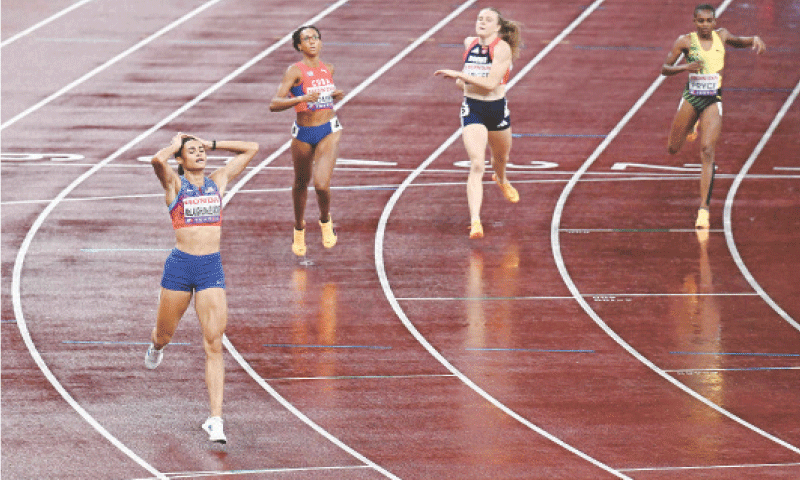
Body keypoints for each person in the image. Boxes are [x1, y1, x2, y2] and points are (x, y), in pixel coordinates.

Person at [145, 133, 259, 444]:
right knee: (164, 333)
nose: (199, 155)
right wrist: (175, 144)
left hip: (210, 268)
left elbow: (252, 147)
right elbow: (157, 160)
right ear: (180, 160)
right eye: (191, 152)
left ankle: (215, 419)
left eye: (201, 152)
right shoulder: (174, 185)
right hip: (180, 267)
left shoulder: (218, 180)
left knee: (214, 343)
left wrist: (211, 143)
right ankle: (155, 346)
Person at [662, 3, 765, 229]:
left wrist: (753, 39)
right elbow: (665, 68)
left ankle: (703, 209)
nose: (705, 25)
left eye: (709, 21)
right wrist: (683, 68)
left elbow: (737, 41)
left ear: (715, 22)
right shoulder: (685, 42)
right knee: (673, 148)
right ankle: (692, 124)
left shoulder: (722, 36)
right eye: (701, 21)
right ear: (694, 22)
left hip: (712, 99)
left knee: (708, 150)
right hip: (692, 98)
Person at [434, 7, 522, 239]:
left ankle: (501, 179)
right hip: (473, 109)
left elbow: (492, 83)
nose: (482, 22)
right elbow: (465, 82)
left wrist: (460, 76)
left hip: (496, 109)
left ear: (498, 27)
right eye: (479, 18)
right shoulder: (469, 43)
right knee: (476, 164)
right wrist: (461, 83)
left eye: (488, 19)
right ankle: (475, 222)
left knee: (500, 158)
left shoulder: (502, 49)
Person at [270, 25, 345, 256]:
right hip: (303, 132)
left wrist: (334, 96)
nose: (312, 41)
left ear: (321, 42)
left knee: (321, 184)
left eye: (316, 37)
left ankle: (325, 221)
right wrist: (301, 98)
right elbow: (274, 103)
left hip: (328, 129)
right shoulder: (295, 71)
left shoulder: (329, 68)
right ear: (299, 46)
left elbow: (324, 98)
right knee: (300, 183)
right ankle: (299, 227)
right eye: (306, 38)